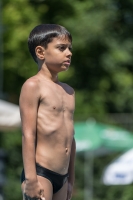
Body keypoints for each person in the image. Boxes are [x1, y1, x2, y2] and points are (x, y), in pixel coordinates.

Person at [19, 24, 76, 200]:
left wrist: (71, 179)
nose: (69, 53)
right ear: (41, 52)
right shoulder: (33, 86)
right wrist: (31, 179)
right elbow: (28, 134)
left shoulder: (69, 91)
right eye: (61, 48)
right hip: (40, 173)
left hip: (63, 176)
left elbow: (70, 138)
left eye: (69, 48)